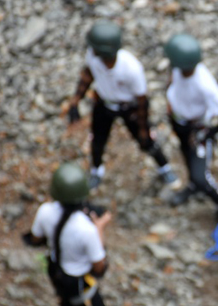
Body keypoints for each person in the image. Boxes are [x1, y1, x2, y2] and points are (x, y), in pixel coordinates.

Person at [67, 20, 178, 189]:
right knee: (97, 141)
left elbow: (142, 100)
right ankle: (96, 170)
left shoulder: (131, 69)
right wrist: (75, 101)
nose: (91, 49)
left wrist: (142, 128)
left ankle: (165, 168)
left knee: (145, 141)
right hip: (104, 105)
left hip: (129, 108)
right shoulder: (93, 56)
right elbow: (88, 74)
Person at [23, 162, 119, 306]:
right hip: (79, 282)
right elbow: (99, 266)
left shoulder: (44, 211)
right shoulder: (86, 229)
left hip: (56, 272)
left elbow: (35, 238)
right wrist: (100, 228)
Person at [163, 33, 218, 226]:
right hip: (179, 123)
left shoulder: (204, 84)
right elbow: (172, 80)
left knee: (200, 175)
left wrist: (206, 134)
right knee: (186, 156)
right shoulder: (178, 68)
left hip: (197, 129)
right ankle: (191, 186)